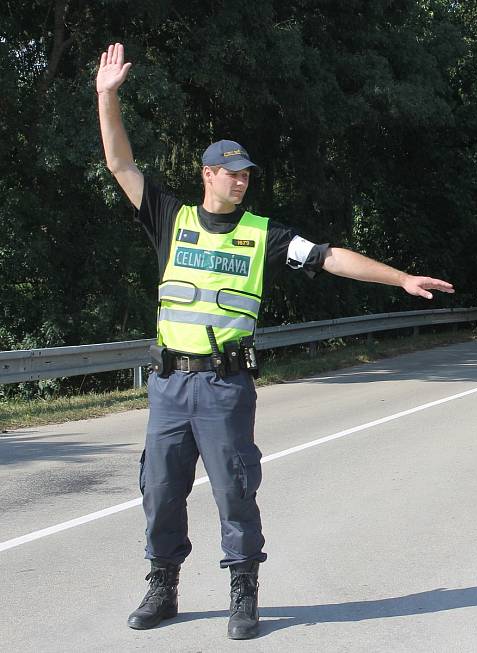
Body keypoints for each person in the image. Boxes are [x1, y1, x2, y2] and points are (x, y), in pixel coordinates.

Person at [96, 43, 453, 640]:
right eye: (231, 172)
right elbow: (120, 165)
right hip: (168, 386)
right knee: (159, 490)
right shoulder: (170, 217)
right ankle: (163, 584)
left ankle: (243, 590)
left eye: (247, 174)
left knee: (235, 489)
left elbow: (329, 257)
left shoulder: (264, 234)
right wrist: (107, 95)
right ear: (208, 174)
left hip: (224, 386)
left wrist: (400, 277)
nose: (241, 181)